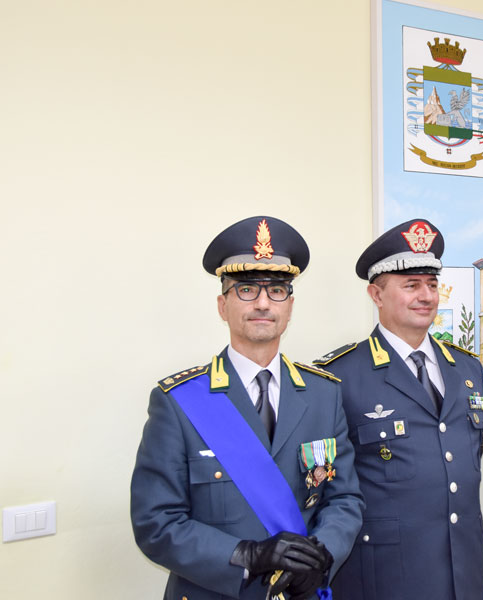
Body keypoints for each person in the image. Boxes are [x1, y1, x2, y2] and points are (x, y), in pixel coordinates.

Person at [131, 216, 364, 600]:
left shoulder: (324, 394)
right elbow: (155, 522)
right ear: (222, 306)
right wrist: (245, 555)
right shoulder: (179, 402)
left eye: (276, 290)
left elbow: (344, 498)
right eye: (245, 290)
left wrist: (323, 555)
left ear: (290, 307)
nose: (262, 303)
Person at [315, 218, 483, 600]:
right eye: (411, 285)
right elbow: (328, 489)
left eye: (431, 284)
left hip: (464, 565)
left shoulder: (468, 368)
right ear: (376, 295)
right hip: (385, 574)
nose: (425, 296)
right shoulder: (338, 376)